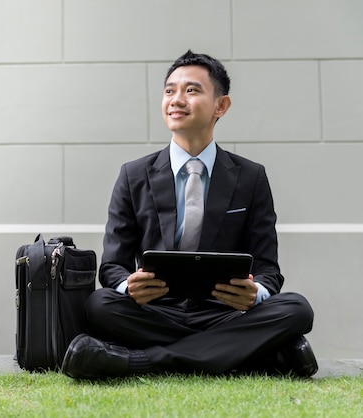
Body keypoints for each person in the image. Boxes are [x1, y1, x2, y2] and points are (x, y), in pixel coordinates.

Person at [61, 50, 317, 379]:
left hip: (225, 313)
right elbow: (112, 266)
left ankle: (141, 361)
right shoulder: (133, 175)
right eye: (169, 91)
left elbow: (268, 268)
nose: (176, 100)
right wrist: (129, 286)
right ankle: (250, 354)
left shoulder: (251, 177)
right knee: (100, 305)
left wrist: (257, 294)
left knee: (296, 308)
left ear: (220, 106)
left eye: (191, 90)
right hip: (153, 311)